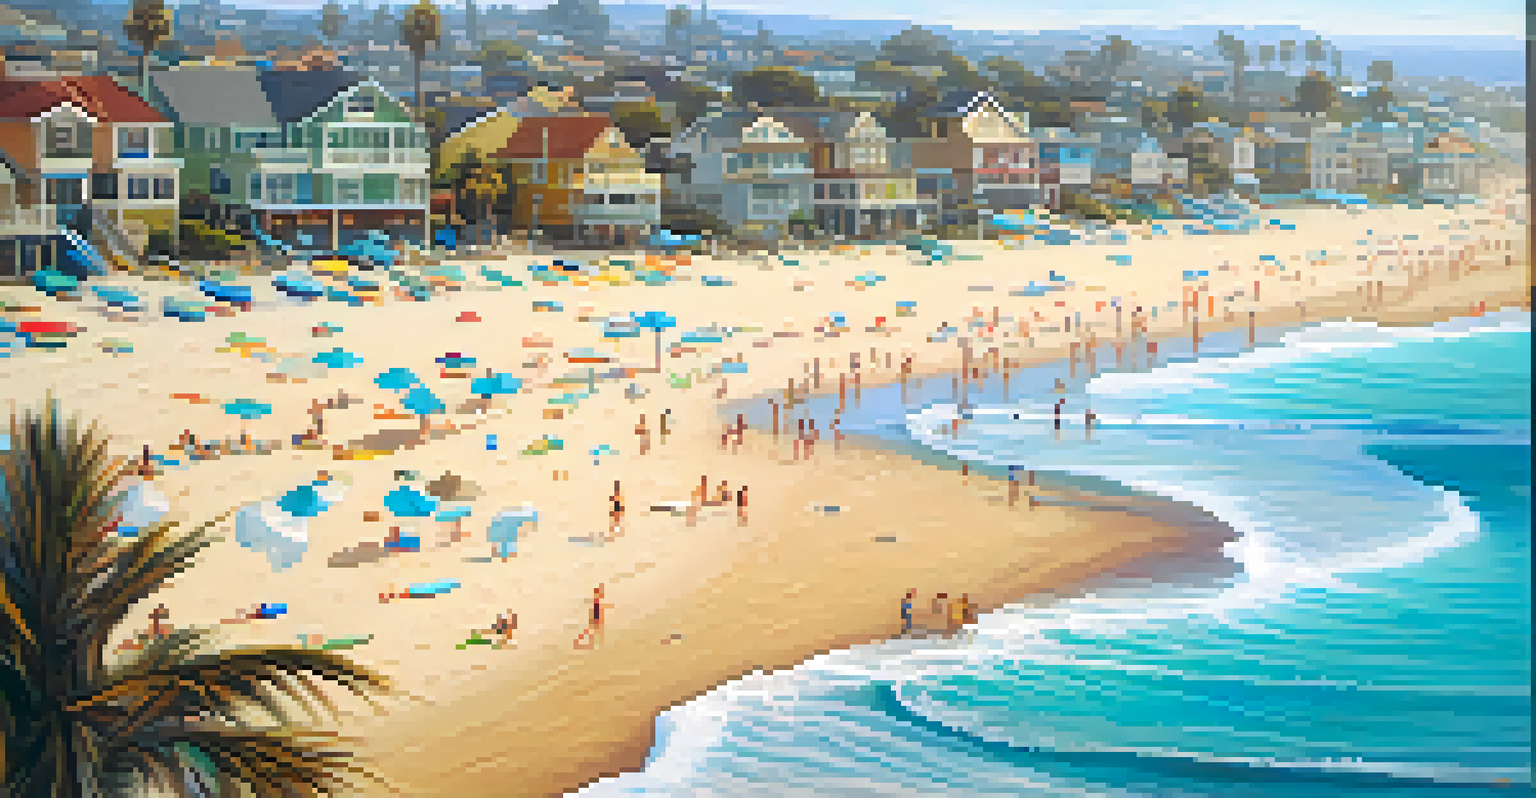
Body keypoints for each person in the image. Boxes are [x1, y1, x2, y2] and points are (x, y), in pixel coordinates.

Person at [574, 584, 606, 649]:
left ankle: (582, 641)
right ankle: (580, 640)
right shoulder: (596, 601)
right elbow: (595, 609)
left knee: (590, 631)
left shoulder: (596, 601)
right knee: (590, 631)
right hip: (595, 616)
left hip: (596, 616)